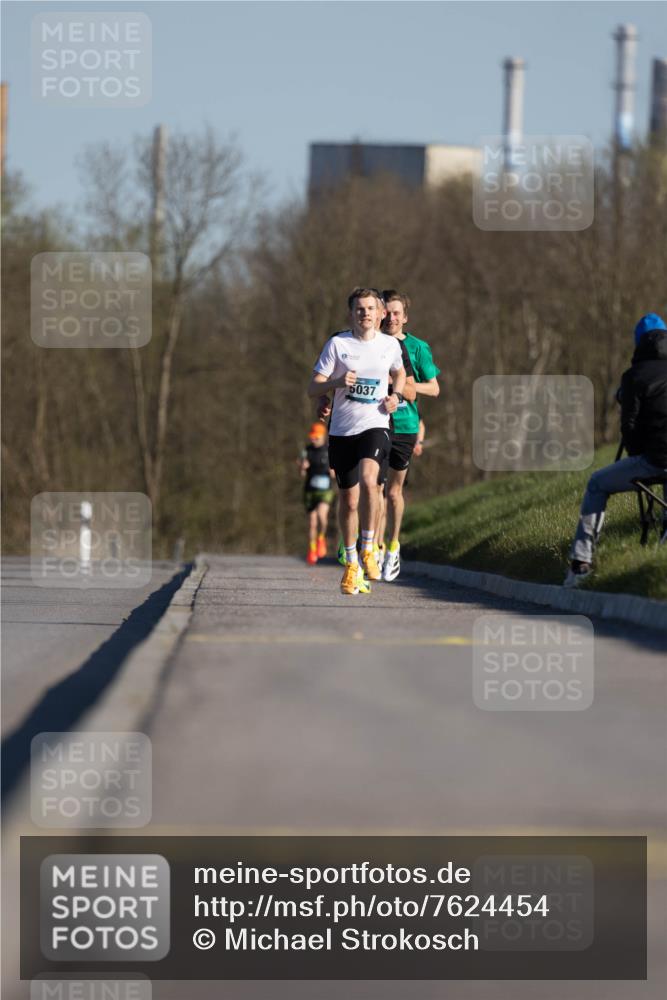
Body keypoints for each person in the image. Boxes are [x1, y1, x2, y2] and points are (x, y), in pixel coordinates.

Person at [308, 288, 406, 595]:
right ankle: (351, 564)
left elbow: (399, 372)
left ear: (380, 314)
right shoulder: (338, 345)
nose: (365, 313)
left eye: (370, 308)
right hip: (342, 430)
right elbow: (314, 386)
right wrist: (337, 382)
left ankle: (368, 547)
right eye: (359, 309)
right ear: (351, 314)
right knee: (348, 501)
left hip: (375, 424)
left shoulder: (389, 345)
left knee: (369, 479)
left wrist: (396, 396)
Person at [564, 313, 667, 587]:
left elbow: (629, 427)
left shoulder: (633, 376)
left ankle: (581, 563)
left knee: (597, 483)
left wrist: (636, 453)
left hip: (654, 461)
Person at [380, 290, 440, 582]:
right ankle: (373, 547)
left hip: (405, 425)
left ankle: (393, 545)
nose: (391, 318)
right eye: (386, 313)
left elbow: (435, 388)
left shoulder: (417, 347)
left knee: (392, 492)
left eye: (396, 313)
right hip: (375, 422)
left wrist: (408, 388)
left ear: (405, 317)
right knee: (373, 487)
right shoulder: (371, 343)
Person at [299, 422, 334, 565]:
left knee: (321, 515)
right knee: (312, 522)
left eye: (316, 437)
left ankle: (321, 538)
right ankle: (312, 549)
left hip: (325, 491)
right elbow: (301, 473)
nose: (313, 440)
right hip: (310, 490)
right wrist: (302, 467)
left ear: (323, 437)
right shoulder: (307, 451)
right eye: (312, 437)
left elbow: (335, 472)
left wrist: (333, 471)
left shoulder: (330, 450)